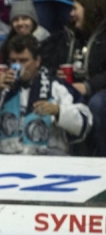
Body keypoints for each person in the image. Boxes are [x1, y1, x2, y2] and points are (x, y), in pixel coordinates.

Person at [0, 34, 92, 154]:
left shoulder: (57, 87)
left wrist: (59, 111)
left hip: (49, 161)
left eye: (23, 61)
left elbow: (84, 124)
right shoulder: (1, 88)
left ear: (37, 61)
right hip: (7, 160)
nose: (17, 66)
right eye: (13, 61)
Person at [39, 0, 106, 156]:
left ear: (90, 9)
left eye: (75, 9)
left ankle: (101, 159)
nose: (71, 14)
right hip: (72, 90)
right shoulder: (69, 36)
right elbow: (46, 61)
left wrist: (89, 86)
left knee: (97, 103)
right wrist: (57, 74)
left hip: (100, 92)